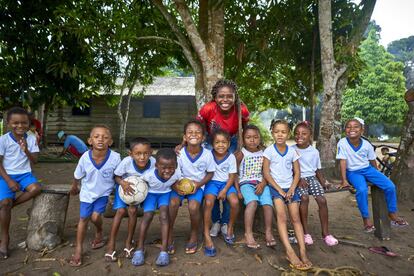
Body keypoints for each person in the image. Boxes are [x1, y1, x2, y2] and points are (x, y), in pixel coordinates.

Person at [196, 79, 249, 238]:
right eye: (221, 96)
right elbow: (196, 127)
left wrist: (243, 148)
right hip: (210, 140)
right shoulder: (208, 108)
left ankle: (225, 221)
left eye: (229, 96)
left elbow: (245, 127)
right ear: (215, 97)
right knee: (211, 179)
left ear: (234, 97)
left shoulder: (242, 110)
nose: (225, 100)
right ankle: (215, 221)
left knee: (227, 177)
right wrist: (183, 143)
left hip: (231, 141)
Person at [337, 118, 409, 232]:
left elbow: (372, 161)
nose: (352, 129)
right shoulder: (342, 143)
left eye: (356, 126)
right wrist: (344, 180)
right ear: (345, 130)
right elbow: (342, 161)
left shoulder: (366, 145)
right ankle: (366, 220)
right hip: (353, 172)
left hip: (368, 169)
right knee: (362, 190)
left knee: (390, 186)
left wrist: (377, 175)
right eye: (348, 126)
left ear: (362, 130)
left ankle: (392, 213)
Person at [263, 119, 312, 271]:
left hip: (290, 188)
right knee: (282, 217)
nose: (280, 135)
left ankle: (303, 252)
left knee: (296, 219)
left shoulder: (292, 151)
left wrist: (291, 189)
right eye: (277, 131)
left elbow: (297, 172)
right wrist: (279, 190)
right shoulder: (269, 151)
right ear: (272, 133)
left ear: (288, 134)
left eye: (283, 132)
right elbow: (266, 173)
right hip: (275, 188)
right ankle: (290, 251)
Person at [69, 125, 121, 267]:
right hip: (87, 193)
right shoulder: (85, 158)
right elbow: (77, 175)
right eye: (97, 136)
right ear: (90, 140)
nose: (101, 140)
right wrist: (74, 187)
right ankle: (78, 250)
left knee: (95, 217)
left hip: (103, 193)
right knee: (84, 218)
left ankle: (99, 230)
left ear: (110, 142)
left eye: (105, 137)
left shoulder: (115, 158)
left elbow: (119, 175)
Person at [168, 120, 215, 255]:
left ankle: (194, 233)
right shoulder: (179, 153)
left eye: (198, 132)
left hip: (197, 186)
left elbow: (210, 173)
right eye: (190, 132)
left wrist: (198, 185)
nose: (194, 135)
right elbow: (172, 172)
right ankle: (169, 233)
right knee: (173, 203)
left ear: (203, 137)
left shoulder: (207, 154)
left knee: (194, 207)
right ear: (184, 137)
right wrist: (175, 186)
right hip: (179, 185)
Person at [0, 107, 41, 259]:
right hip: (5, 175)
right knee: (4, 203)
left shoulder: (30, 138)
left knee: (36, 188)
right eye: (15, 123)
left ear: (28, 123)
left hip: (25, 174)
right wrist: (9, 180)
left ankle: (11, 205)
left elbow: (35, 161)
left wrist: (26, 151)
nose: (20, 126)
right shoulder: (3, 140)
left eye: (24, 123)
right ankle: (5, 239)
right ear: (9, 123)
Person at [105, 137, 155, 262]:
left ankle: (128, 243)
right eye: (138, 154)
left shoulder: (154, 162)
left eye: (145, 153)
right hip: (124, 190)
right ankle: (111, 245)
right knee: (121, 211)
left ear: (151, 152)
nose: (142, 157)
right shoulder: (127, 162)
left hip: (140, 193)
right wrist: (122, 183)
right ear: (131, 154)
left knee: (132, 211)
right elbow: (116, 176)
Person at [131, 148, 181, 267]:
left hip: (165, 195)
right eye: (163, 167)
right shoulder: (148, 175)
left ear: (176, 165)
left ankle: (164, 251)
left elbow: (175, 182)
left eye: (171, 167)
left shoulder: (177, 173)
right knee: (147, 216)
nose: (168, 171)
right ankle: (139, 249)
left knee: (164, 216)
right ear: (156, 165)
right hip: (151, 195)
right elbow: (140, 186)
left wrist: (177, 187)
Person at [292, 121, 338, 246]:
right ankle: (305, 233)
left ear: (310, 136)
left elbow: (317, 169)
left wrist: (324, 182)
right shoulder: (291, 150)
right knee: (304, 198)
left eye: (303, 134)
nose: (299, 136)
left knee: (322, 200)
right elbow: (289, 168)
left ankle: (326, 234)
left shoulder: (314, 152)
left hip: (312, 178)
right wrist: (298, 178)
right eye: (297, 133)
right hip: (297, 179)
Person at [235, 125, 275, 249]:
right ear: (243, 139)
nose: (252, 140)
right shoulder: (241, 154)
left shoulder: (265, 153)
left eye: (255, 137)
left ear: (260, 138)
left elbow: (266, 171)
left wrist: (263, 183)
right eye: (248, 137)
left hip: (261, 182)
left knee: (268, 204)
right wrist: (238, 191)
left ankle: (268, 231)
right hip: (245, 183)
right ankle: (248, 233)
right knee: (252, 203)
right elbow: (234, 173)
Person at [203, 130, 239, 257]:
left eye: (224, 142)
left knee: (234, 201)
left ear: (229, 144)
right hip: (212, 183)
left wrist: (224, 190)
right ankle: (215, 223)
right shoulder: (208, 155)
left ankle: (228, 225)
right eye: (217, 142)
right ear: (212, 144)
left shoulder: (231, 157)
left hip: (226, 183)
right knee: (209, 201)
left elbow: (232, 176)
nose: (220, 145)